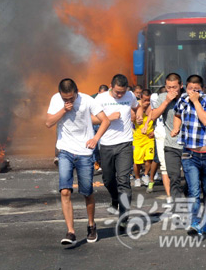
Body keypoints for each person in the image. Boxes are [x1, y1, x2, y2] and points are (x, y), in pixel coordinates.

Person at [46, 78, 110, 246]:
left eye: (71, 98)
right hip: (65, 150)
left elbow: (105, 120)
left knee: (87, 191)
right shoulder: (56, 100)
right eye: (65, 98)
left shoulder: (88, 100)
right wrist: (63, 110)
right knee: (65, 191)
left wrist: (95, 138)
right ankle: (71, 231)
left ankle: (91, 225)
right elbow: (48, 123)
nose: (68, 101)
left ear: (76, 92)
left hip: (85, 153)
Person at [171, 74, 206, 235]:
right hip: (189, 155)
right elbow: (177, 115)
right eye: (190, 89)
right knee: (194, 190)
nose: (192, 92)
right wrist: (176, 127)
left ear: (202, 89)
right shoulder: (182, 99)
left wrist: (196, 101)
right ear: (186, 88)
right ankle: (194, 222)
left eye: (196, 90)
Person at [95, 74, 139, 228]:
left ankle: (124, 215)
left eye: (122, 92)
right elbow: (91, 118)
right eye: (117, 92)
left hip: (125, 144)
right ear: (111, 86)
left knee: (123, 181)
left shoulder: (130, 95)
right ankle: (115, 198)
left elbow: (136, 106)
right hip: (106, 144)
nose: (120, 95)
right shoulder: (100, 99)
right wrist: (108, 118)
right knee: (108, 179)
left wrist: (138, 115)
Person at [148, 73, 184, 205]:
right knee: (173, 176)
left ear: (181, 86)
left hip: (188, 144)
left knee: (191, 177)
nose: (172, 91)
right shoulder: (162, 97)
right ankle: (176, 205)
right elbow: (153, 115)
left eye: (174, 87)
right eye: (169, 87)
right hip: (171, 143)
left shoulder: (187, 97)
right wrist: (167, 101)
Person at [132, 89, 154, 188]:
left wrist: (154, 132)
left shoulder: (153, 107)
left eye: (149, 100)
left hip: (149, 138)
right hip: (138, 139)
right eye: (145, 100)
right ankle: (137, 178)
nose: (147, 102)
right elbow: (130, 120)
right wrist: (135, 117)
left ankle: (145, 175)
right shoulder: (135, 107)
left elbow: (158, 120)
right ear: (141, 98)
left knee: (149, 158)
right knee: (137, 161)